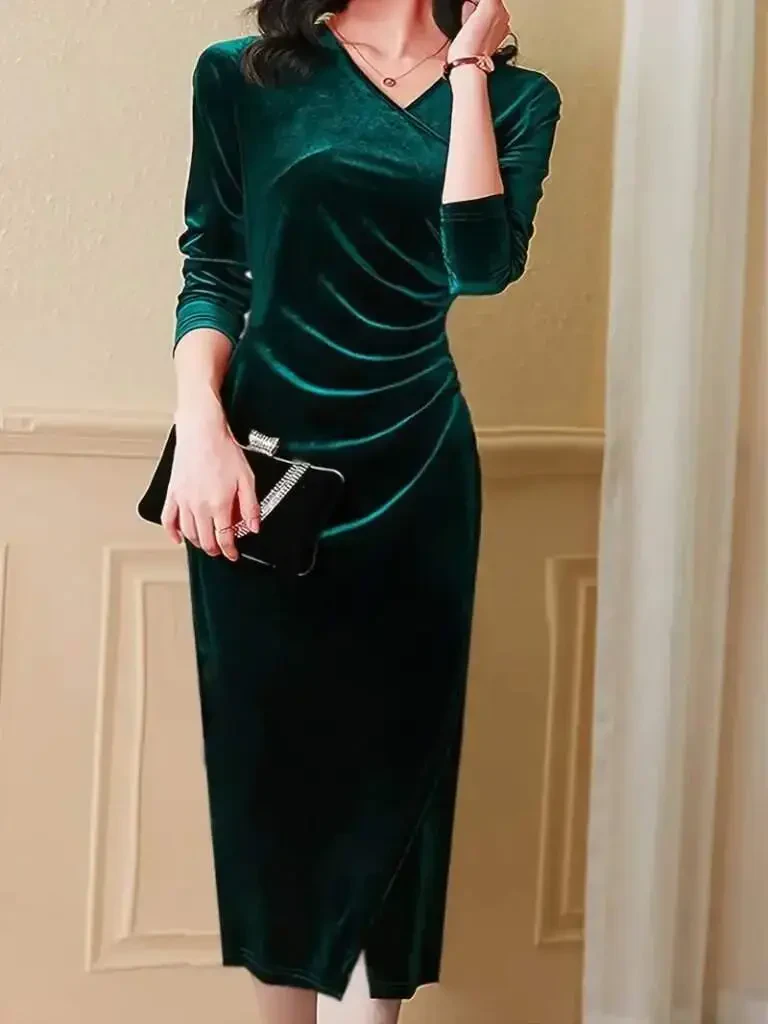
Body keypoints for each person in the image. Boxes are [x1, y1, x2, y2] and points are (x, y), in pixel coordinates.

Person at [163, 0, 560, 1020]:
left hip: (417, 477)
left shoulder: (516, 98)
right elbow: (214, 270)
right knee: (275, 800)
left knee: (394, 806)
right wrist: (200, 425)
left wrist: (468, 69)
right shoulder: (244, 75)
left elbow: (479, 266)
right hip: (260, 481)